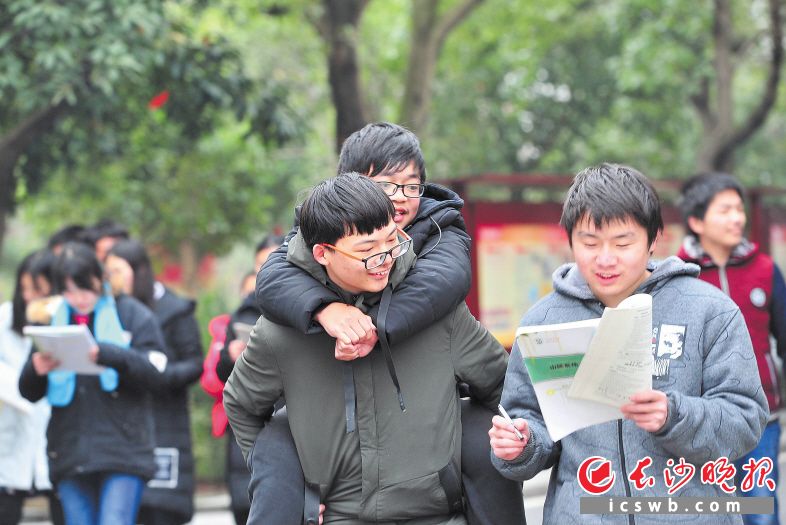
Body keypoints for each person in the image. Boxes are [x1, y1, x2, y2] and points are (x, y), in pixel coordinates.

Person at [255, 122, 525, 524]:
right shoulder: (319, 228)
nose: (400, 198)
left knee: (476, 428)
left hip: (425, 431)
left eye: (410, 185)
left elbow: (440, 285)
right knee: (280, 436)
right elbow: (273, 279)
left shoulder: (440, 228)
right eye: (386, 185)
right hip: (338, 450)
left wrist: (367, 330)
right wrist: (328, 312)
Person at [489, 163, 768, 524]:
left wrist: (674, 415)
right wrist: (521, 444)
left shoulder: (709, 311)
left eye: (623, 243)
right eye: (589, 243)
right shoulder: (544, 321)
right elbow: (529, 419)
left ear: (653, 240)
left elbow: (745, 421)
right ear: (571, 240)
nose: (605, 259)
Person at [18, 242, 168, 525]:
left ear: (100, 278)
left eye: (85, 287)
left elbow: (156, 374)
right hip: (70, 449)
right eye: (69, 290)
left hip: (124, 448)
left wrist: (110, 354)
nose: (79, 298)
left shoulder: (132, 314)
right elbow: (29, 392)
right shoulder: (51, 320)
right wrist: (35, 370)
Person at [677, 172, 786, 525]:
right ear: (696, 221)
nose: (737, 218)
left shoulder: (766, 270)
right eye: (725, 210)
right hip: (699, 421)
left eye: (739, 209)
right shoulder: (678, 275)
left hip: (762, 419)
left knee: (759, 510)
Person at [104, 239, 203, 525]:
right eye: (108, 272)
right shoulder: (112, 311)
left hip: (165, 422)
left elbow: (195, 362)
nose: (113, 279)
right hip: (122, 426)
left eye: (118, 270)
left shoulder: (175, 310)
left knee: (160, 510)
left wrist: (157, 375)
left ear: (139, 270)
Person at [214, 234, 282, 525]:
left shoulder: (309, 305)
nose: (265, 271)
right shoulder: (243, 311)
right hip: (251, 419)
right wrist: (231, 356)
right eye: (258, 265)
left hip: (287, 416)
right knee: (247, 506)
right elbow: (221, 374)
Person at [0, 250, 63, 525]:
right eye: (24, 288)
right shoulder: (3, 321)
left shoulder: (67, 324)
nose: (28, 296)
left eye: (37, 289)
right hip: (10, 439)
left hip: (57, 441)